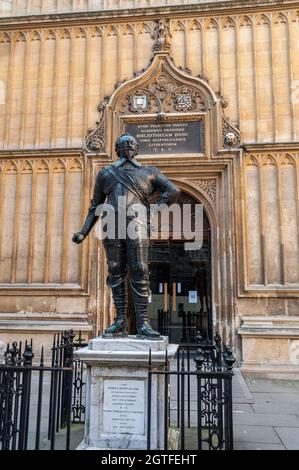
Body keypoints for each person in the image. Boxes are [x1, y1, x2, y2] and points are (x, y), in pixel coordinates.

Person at [73, 134, 180, 339]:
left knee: (140, 268)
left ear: (137, 148)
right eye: (124, 144)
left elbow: (173, 191)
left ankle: (143, 323)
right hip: (111, 224)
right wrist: (83, 232)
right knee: (115, 270)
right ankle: (120, 320)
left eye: (132, 144)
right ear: (117, 149)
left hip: (137, 223)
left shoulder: (149, 172)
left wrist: (152, 209)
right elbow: (95, 206)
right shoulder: (106, 173)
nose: (128, 146)